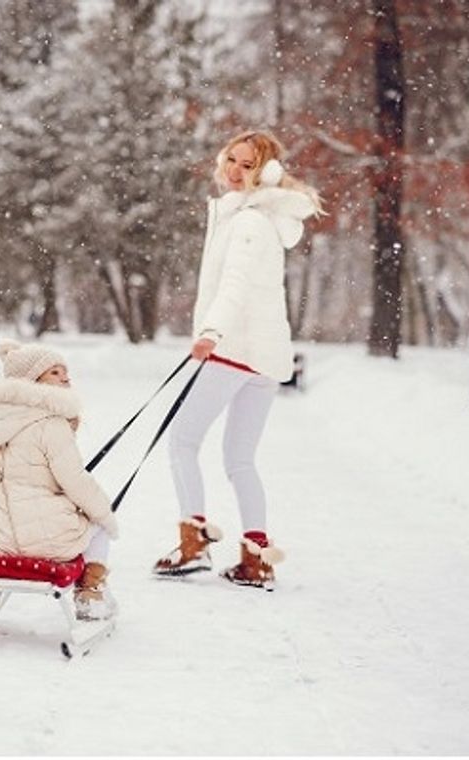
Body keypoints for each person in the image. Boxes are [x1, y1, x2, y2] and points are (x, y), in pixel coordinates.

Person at [153, 129, 322, 589]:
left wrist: (211, 331)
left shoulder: (247, 221)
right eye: (231, 159)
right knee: (240, 459)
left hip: (235, 350)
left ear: (265, 174)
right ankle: (255, 558)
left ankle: (193, 544)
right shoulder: (258, 218)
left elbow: (236, 285)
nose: (234, 171)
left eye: (247, 165)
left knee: (182, 442)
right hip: (264, 359)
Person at [0, 339, 120, 619]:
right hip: (50, 543)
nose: (66, 377)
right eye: (55, 372)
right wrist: (106, 515)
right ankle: (90, 594)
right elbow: (75, 482)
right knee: (100, 524)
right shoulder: (51, 424)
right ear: (33, 381)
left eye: (65, 370)